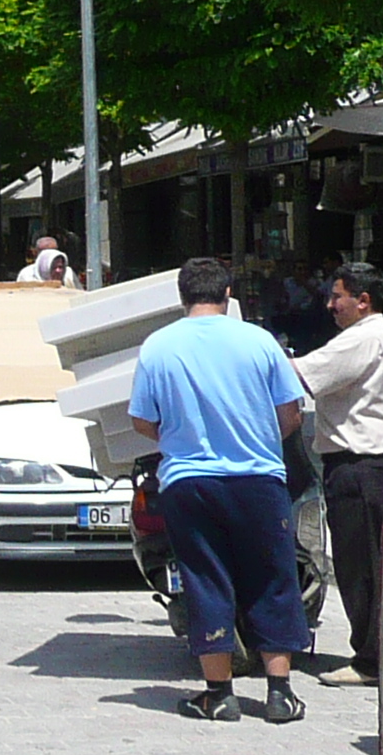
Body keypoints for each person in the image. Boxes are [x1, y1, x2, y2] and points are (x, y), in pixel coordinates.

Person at [128, 256, 309, 723]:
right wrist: (262, 439)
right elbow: (291, 413)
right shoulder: (259, 340)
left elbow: (142, 420)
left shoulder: (158, 347)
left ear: (182, 295)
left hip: (190, 483)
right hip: (258, 479)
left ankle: (218, 692)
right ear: (228, 295)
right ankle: (279, 693)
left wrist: (180, 439)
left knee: (205, 579)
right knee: (272, 577)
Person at [294, 262, 383, 688]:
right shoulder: (380, 336)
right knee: (370, 566)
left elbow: (301, 375)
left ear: (363, 300)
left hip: (360, 467)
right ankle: (377, 653)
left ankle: (372, 660)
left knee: (362, 569)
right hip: (371, 467)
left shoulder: (363, 338)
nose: (330, 305)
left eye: (337, 296)